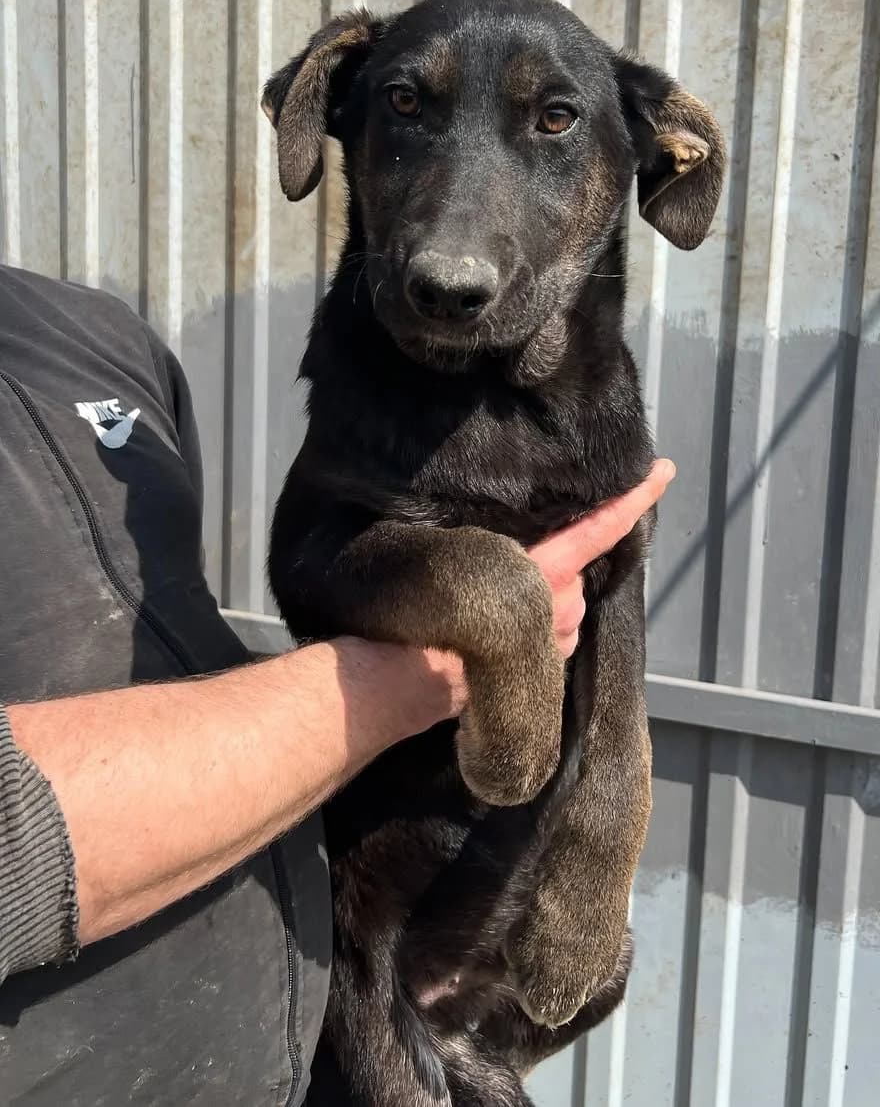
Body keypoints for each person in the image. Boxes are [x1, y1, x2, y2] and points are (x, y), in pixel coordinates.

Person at [0, 262, 672, 1105]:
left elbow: (173, 637)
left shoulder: (89, 336)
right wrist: (416, 676)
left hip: (309, 1016)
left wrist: (601, 818)